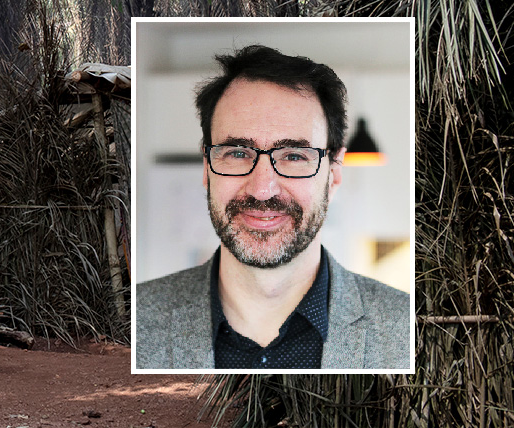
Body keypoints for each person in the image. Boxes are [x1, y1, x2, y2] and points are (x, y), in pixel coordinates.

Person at [134, 46, 410, 369]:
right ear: (207, 168)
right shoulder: (135, 322)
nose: (262, 190)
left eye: (294, 156)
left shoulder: (405, 330)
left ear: (334, 174)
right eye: (237, 153)